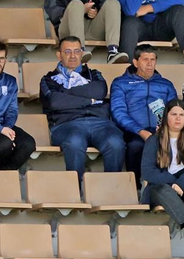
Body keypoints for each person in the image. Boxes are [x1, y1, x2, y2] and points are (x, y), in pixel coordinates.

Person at [43, 36, 126, 176]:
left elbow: (99, 91)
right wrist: (89, 100)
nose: (73, 55)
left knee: (115, 143)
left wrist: (65, 93)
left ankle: (112, 187)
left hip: (101, 123)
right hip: (67, 124)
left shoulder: (94, 74)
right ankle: (77, 187)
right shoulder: (48, 79)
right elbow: (55, 102)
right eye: (67, 51)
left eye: (77, 51)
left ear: (81, 53)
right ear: (59, 55)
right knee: (74, 142)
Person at [140, 102, 184, 235]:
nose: (178, 118)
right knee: (162, 189)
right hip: (159, 189)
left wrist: (181, 183)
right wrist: (173, 183)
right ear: (166, 116)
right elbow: (147, 172)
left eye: (181, 115)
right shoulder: (154, 140)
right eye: (174, 114)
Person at [110, 44, 179, 176]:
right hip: (133, 131)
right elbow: (118, 112)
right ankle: (135, 185)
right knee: (135, 146)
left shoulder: (166, 84)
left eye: (153, 59)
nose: (149, 64)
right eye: (145, 59)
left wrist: (166, 126)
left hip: (161, 131)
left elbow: (174, 109)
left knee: (174, 144)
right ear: (135, 62)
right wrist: (141, 131)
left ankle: (167, 184)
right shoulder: (121, 83)